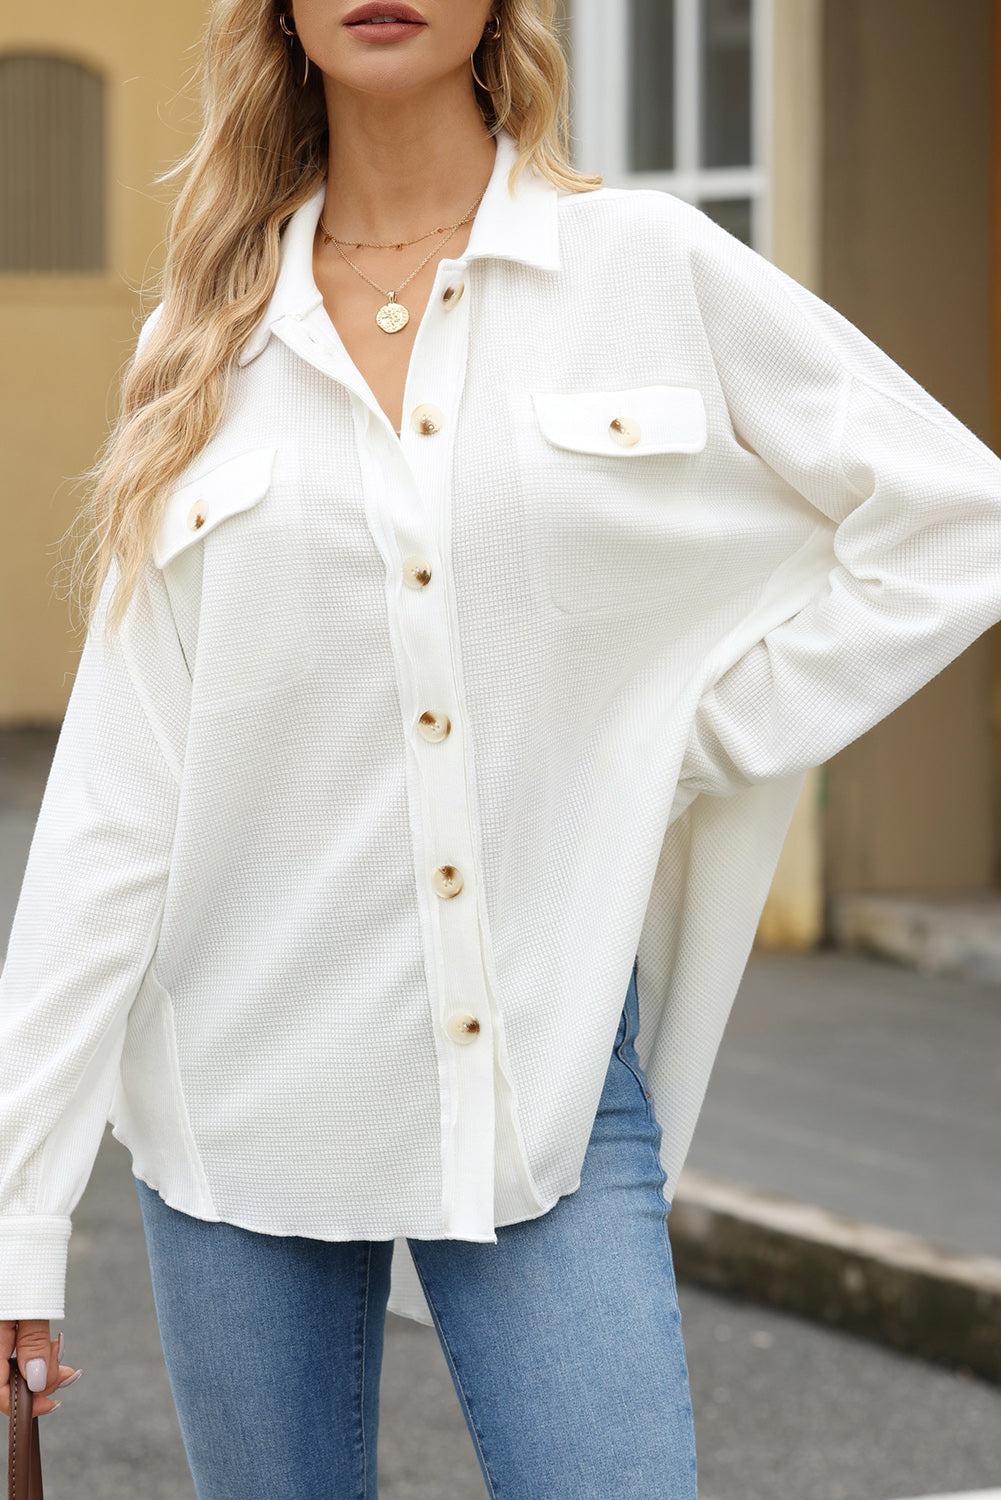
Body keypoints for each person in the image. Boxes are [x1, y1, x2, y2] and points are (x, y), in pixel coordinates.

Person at [3, 2, 1001, 1496]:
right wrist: (20, 1220)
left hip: (539, 1074)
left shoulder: (646, 270)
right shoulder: (202, 333)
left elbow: (950, 525)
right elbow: (116, 803)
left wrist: (688, 739)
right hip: (237, 1102)